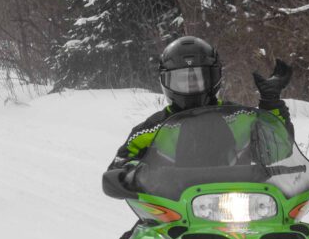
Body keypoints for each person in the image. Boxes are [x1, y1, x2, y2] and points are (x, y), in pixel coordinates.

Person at [108, 35, 295, 172]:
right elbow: (119, 165)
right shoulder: (151, 129)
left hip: (237, 205)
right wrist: (132, 172)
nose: (191, 84)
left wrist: (271, 102)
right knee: (141, 228)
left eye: (199, 77)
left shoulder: (240, 117)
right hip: (171, 212)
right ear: (166, 82)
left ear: (214, 77)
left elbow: (278, 149)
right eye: (181, 79)